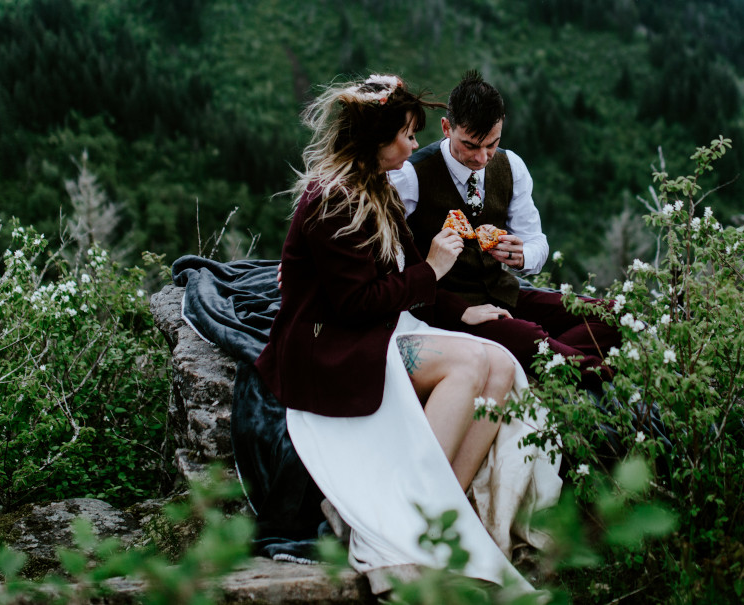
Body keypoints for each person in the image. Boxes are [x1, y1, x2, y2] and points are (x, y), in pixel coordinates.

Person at [254, 74, 559, 593]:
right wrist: (434, 270)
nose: (415, 146)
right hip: (333, 344)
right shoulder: (332, 201)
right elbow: (358, 303)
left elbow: (407, 272)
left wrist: (463, 312)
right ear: (377, 140)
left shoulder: (377, 190)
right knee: (468, 366)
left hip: (385, 327)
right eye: (408, 134)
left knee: (501, 364)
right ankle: (410, 508)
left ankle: (442, 507)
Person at [390, 71, 620, 386]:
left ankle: (539, 356)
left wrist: (522, 255)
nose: (482, 157)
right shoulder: (410, 177)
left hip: (504, 293)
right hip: (451, 310)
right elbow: (397, 270)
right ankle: (604, 378)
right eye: (470, 145)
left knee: (612, 315)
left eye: (492, 144)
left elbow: (538, 242)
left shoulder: (512, 166)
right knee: (530, 337)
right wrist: (456, 310)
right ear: (447, 128)